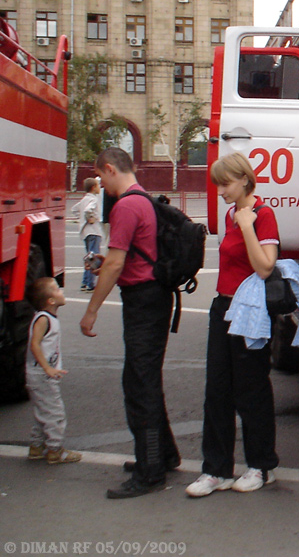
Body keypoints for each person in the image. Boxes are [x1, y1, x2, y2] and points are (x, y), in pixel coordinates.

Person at [79, 147, 180, 499]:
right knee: (146, 380)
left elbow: (116, 265)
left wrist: (91, 310)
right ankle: (163, 455)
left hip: (143, 302)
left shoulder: (125, 205)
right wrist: (106, 262)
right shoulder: (143, 200)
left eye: (100, 176)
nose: (100, 184)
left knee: (139, 387)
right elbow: (132, 253)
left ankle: (150, 471)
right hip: (155, 297)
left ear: (109, 169)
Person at [186, 152, 280, 498]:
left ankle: (261, 466)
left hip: (250, 310)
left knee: (251, 389)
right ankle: (216, 470)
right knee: (217, 390)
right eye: (218, 184)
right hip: (222, 306)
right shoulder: (230, 214)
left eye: (225, 183)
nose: (221, 190)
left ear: (244, 179)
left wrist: (246, 225)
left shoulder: (263, 215)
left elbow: (265, 267)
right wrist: (237, 220)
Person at [25, 277, 81, 465]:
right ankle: (55, 450)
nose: (62, 292)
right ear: (50, 301)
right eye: (57, 290)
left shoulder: (47, 318)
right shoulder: (43, 319)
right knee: (55, 414)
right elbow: (35, 345)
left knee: (43, 412)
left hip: (41, 375)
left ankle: (37, 446)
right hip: (42, 376)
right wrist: (47, 368)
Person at [74, 178, 104, 292]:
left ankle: (85, 282)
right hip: (94, 231)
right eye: (98, 186)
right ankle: (90, 284)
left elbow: (75, 210)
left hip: (86, 232)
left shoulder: (84, 199)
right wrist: (91, 218)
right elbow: (88, 210)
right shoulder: (93, 199)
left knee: (89, 257)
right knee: (94, 257)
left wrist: (81, 219)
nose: (99, 188)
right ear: (93, 188)